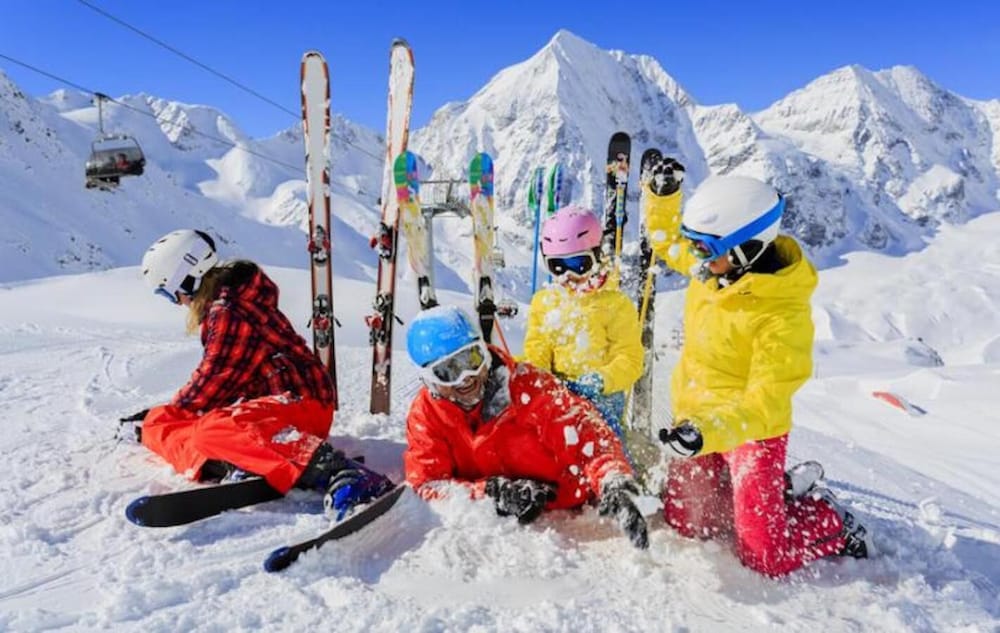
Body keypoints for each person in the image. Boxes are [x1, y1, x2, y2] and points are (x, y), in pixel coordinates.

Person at [644, 159, 876, 576]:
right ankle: (764, 494)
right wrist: (663, 197)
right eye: (694, 244)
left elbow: (765, 402)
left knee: (764, 556)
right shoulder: (712, 270)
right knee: (689, 523)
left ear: (746, 250)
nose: (694, 257)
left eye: (704, 248)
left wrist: (707, 433)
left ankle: (831, 521)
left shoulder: (782, 316)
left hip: (751, 431)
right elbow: (666, 245)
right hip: (696, 418)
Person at [131, 229, 392, 518]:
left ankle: (339, 472)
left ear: (187, 278)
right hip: (277, 412)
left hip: (301, 405)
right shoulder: (229, 304)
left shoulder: (229, 311)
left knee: (207, 429)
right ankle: (239, 461)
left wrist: (170, 413)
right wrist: (160, 420)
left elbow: (215, 379)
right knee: (188, 430)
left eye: (170, 293)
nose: (178, 302)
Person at [402, 305, 648, 549]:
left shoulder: (528, 386)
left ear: (484, 351)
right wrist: (492, 493)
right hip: (508, 542)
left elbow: (585, 432)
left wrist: (611, 478)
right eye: (448, 371)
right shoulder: (426, 414)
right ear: (429, 379)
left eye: (472, 359)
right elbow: (427, 484)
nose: (466, 376)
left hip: (573, 510)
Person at [523, 205, 643, 444]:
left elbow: (630, 360)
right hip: (557, 394)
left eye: (579, 264)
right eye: (558, 266)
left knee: (599, 442)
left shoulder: (615, 304)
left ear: (597, 256)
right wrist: (538, 377)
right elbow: (537, 348)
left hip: (602, 398)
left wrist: (601, 380)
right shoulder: (544, 302)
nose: (569, 276)